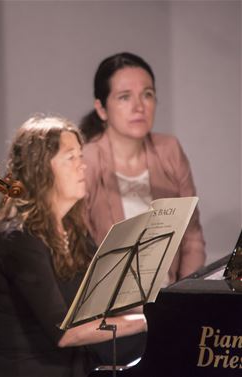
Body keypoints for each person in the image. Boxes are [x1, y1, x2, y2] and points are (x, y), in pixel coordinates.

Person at [0, 115, 147, 377]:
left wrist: (163, 307)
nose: (83, 166)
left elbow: (104, 300)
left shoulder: (72, 230)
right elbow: (66, 332)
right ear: (41, 169)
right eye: (71, 158)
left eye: (81, 156)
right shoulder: (17, 240)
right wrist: (146, 321)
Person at [80, 52, 205, 285]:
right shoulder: (87, 160)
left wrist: (184, 297)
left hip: (170, 301)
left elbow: (192, 235)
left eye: (147, 94)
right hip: (109, 310)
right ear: (101, 109)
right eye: (125, 97)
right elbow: (79, 252)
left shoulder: (169, 149)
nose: (139, 107)